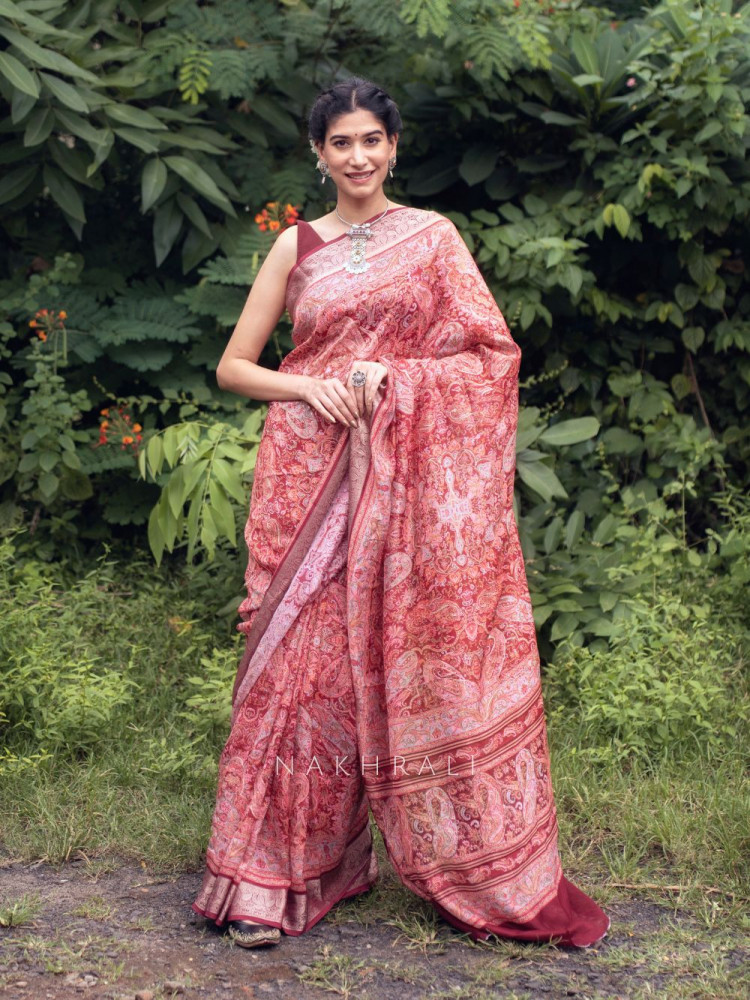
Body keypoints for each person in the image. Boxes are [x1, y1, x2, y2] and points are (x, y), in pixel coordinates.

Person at [191, 76, 610, 951]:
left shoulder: (432, 241)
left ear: (394, 146)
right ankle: (275, 875)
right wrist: (313, 385)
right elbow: (234, 367)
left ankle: (432, 859)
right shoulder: (294, 247)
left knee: (371, 668)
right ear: (318, 153)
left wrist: (396, 381)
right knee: (296, 675)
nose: (357, 157)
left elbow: (491, 355)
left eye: (371, 141)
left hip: (404, 483)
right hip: (308, 473)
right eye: (340, 143)